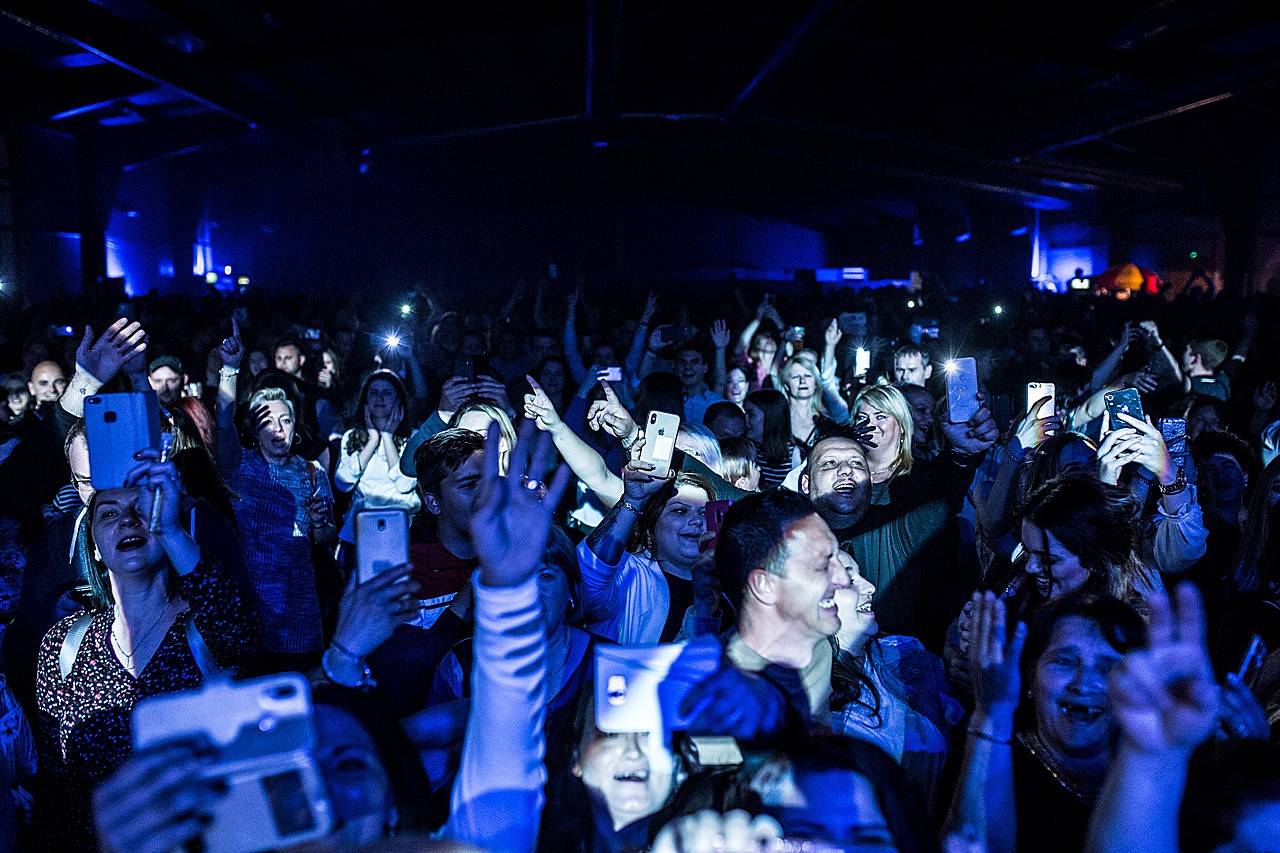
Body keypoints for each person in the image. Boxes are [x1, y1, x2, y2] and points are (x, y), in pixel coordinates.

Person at [33, 452, 260, 848]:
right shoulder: (64, 645)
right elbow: (57, 789)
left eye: (142, 509)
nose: (127, 520)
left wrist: (171, 530)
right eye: (109, 514)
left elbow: (239, 629)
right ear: (95, 548)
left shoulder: (205, 628)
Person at [944, 590, 1146, 853]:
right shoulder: (988, 761)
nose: (1083, 684)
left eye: (1107, 667)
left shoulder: (1150, 774)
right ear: (1030, 677)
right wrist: (992, 716)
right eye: (1064, 661)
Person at [215, 321, 335, 672]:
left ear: (296, 426)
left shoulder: (312, 471)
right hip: (252, 609)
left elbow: (326, 537)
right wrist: (229, 369)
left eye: (285, 420)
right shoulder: (240, 468)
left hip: (300, 611)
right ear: (254, 429)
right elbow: (223, 422)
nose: (278, 429)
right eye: (268, 421)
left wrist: (319, 524)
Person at [840, 383, 997, 648]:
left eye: (880, 416)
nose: (870, 424)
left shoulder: (924, 477)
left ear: (901, 425)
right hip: (851, 625)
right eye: (862, 417)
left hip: (914, 627)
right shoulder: (842, 481)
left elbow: (949, 482)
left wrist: (962, 453)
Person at [830, 550, 962, 808]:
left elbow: (962, 724)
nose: (870, 587)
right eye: (849, 581)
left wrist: (963, 657)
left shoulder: (905, 652)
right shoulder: (815, 697)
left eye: (861, 575)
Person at [713, 489, 850, 725]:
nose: (844, 579)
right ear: (764, 586)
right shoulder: (723, 698)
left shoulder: (817, 646)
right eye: (821, 565)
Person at [577, 454, 715, 644]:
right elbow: (588, 575)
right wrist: (633, 501)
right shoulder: (629, 574)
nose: (697, 521)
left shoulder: (728, 585)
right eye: (680, 511)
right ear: (651, 527)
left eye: (704, 513)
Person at [333, 369, 420, 545]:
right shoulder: (352, 436)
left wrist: (387, 438)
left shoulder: (413, 437)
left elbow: (404, 484)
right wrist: (373, 440)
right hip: (362, 523)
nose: (379, 398)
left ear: (398, 399)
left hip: (402, 523)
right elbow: (343, 483)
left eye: (387, 393)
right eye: (373, 393)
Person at [744, 389, 797, 490]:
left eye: (751, 414)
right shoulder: (748, 450)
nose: (745, 419)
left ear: (770, 417)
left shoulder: (795, 455)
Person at [674, 344, 726, 427]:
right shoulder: (667, 401)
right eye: (682, 362)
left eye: (694, 362)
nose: (687, 366)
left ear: (705, 367)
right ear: (676, 367)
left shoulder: (717, 403)